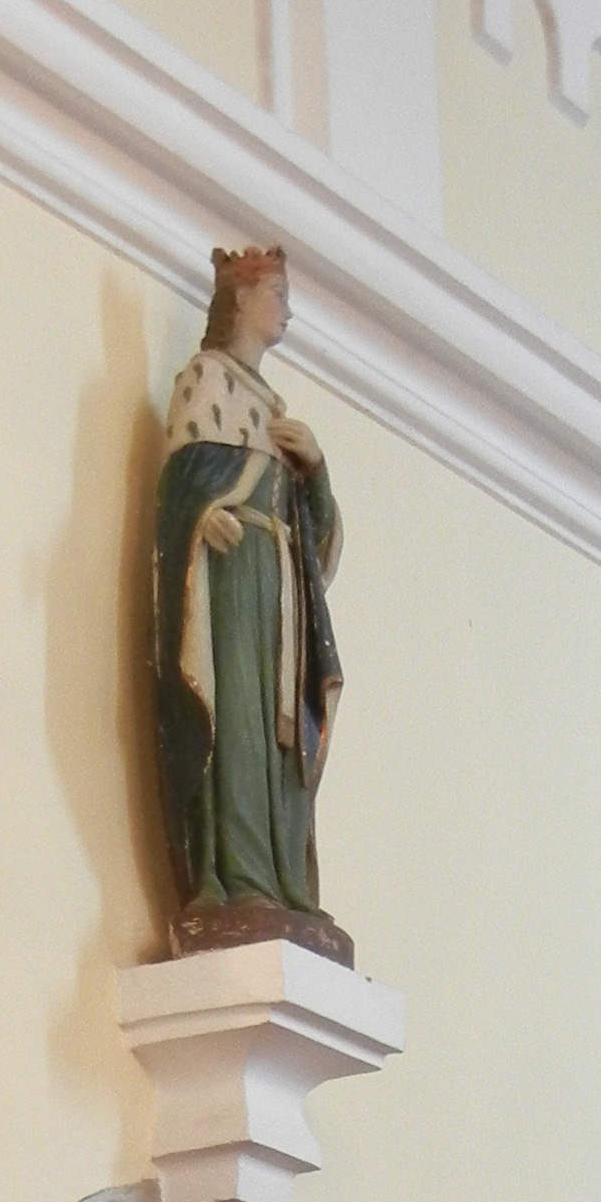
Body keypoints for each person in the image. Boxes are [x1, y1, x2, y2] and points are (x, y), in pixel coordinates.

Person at [152, 246, 343, 938]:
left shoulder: (275, 411)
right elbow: (176, 497)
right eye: (278, 295)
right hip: (229, 582)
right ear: (241, 299)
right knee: (237, 721)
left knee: (279, 733)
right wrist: (203, 516)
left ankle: (283, 881)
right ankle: (236, 878)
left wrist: (315, 468)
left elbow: (315, 537)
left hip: (280, 591)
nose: (287, 310)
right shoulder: (204, 382)